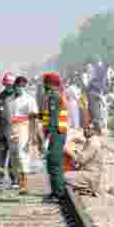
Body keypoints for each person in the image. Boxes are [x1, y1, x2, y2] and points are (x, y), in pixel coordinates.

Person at [40, 73, 69, 203]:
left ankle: (59, 193)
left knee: (54, 162)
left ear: (50, 85)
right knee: (52, 161)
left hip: (57, 133)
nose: (44, 87)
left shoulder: (54, 98)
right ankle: (55, 191)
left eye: (45, 85)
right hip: (57, 132)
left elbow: (53, 119)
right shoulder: (56, 96)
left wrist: (46, 138)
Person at [7, 76, 39, 193]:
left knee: (22, 155)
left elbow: (34, 117)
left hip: (23, 128)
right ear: (14, 86)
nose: (20, 88)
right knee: (14, 156)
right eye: (18, 86)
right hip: (12, 129)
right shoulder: (10, 100)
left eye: (22, 86)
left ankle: (24, 184)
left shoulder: (29, 99)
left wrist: (33, 134)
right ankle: (18, 182)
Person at [0, 73, 17, 187]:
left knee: (14, 156)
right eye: (6, 85)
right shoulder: (0, 97)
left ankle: (14, 179)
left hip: (15, 131)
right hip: (1, 131)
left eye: (10, 85)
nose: (8, 87)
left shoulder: (19, 97)